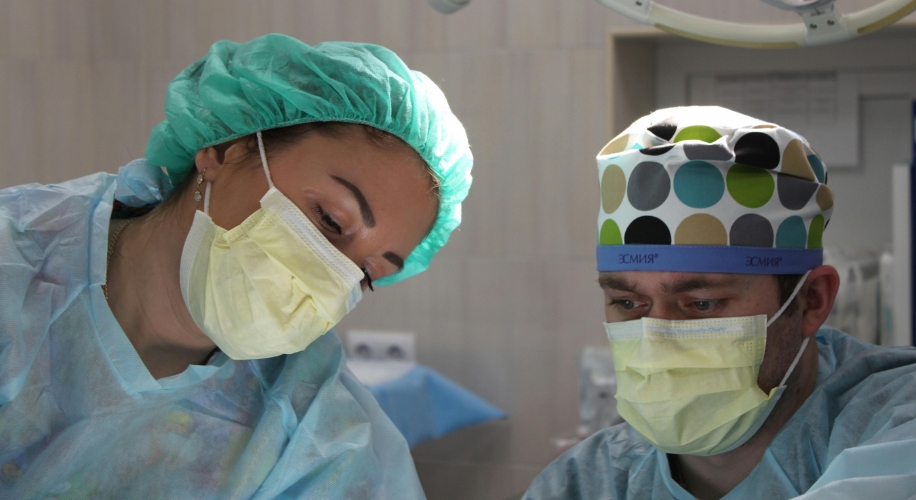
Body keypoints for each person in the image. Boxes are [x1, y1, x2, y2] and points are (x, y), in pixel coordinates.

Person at [0, 34, 472, 498]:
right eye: (330, 220)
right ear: (225, 151)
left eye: (366, 273)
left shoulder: (310, 429)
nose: (330, 274)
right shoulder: (15, 263)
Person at [524, 106, 916, 499]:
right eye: (628, 303)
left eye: (702, 304)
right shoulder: (590, 482)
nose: (656, 340)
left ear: (812, 301)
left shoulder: (898, 423)